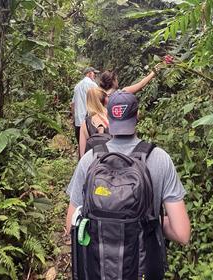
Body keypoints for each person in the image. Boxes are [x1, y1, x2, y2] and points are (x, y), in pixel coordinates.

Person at [66, 91, 191, 278]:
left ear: (108, 117)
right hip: (142, 270)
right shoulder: (159, 159)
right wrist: (151, 221)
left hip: (98, 270)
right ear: (137, 115)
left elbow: (71, 225)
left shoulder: (89, 160)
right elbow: (182, 234)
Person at [71, 67, 100, 144]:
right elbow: (99, 101)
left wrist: (74, 118)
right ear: (89, 73)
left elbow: (73, 104)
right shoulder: (92, 84)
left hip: (78, 122)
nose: (95, 76)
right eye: (94, 73)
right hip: (89, 122)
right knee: (91, 146)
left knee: (81, 145)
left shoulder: (77, 86)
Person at [78, 87, 109, 158]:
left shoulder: (85, 124)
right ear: (105, 100)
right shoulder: (111, 117)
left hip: (94, 164)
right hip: (112, 162)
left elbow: (83, 155)